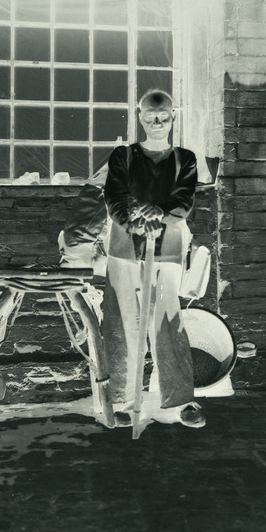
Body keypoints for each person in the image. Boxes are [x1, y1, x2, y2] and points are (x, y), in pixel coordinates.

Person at [102, 89, 205, 428]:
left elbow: (183, 199)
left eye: (163, 116)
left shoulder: (184, 159)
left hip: (167, 249)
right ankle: (123, 399)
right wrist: (131, 219)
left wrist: (159, 211)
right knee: (122, 321)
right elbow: (115, 194)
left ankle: (181, 399)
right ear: (141, 118)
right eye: (150, 116)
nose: (157, 122)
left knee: (167, 321)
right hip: (125, 250)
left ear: (173, 118)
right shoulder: (124, 156)